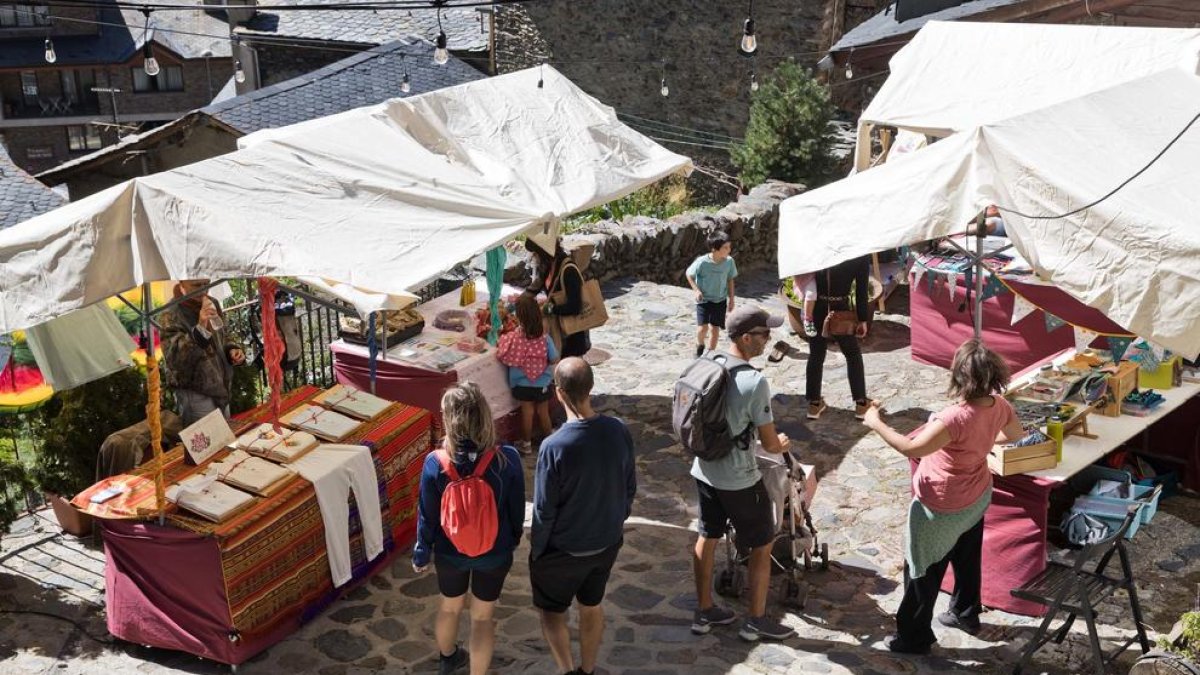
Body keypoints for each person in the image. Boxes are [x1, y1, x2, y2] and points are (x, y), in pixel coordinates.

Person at [861, 339, 1024, 654]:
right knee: (966, 558)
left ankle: (914, 637)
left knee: (922, 568)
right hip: (976, 495)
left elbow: (911, 448)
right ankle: (965, 613)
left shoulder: (953, 418)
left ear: (960, 376)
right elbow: (1014, 435)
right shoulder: (1000, 405)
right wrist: (979, 443)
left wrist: (875, 422)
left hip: (941, 505)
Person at [690, 306, 797, 643]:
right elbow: (769, 442)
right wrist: (780, 443)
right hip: (739, 478)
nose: (769, 339)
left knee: (707, 536)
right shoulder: (754, 382)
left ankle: (704, 612)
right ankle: (756, 621)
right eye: (765, 334)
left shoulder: (707, 361)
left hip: (704, 469)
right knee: (762, 544)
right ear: (747, 338)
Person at [530, 357, 635, 675]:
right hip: (605, 544)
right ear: (591, 387)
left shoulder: (554, 446)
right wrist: (615, 522)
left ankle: (567, 670)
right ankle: (587, 670)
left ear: (558, 392)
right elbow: (629, 486)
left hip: (563, 550)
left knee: (551, 612)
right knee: (592, 605)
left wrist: (538, 550)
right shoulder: (618, 431)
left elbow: (544, 509)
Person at [413, 382, 525, 675]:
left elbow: (427, 515)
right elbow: (516, 510)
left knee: (449, 607)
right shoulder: (507, 458)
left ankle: (448, 658)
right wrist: (512, 539)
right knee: (482, 618)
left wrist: (422, 552)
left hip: (450, 551)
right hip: (495, 551)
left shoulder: (435, 462)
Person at [161, 279, 245, 426]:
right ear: (182, 283)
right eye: (197, 285)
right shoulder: (170, 313)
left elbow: (223, 334)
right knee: (208, 438)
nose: (203, 289)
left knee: (225, 435)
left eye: (207, 284)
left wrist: (232, 349)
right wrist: (201, 327)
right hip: (195, 393)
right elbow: (175, 359)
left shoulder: (212, 302)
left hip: (221, 385)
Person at [805, 255, 874, 421]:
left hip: (817, 307)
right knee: (852, 354)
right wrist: (863, 319)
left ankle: (814, 404)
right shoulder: (859, 254)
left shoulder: (818, 248)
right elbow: (861, 290)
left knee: (816, 354)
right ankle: (861, 404)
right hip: (841, 310)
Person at [496, 293, 560, 456]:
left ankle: (526, 444)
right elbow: (554, 359)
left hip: (521, 384)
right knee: (543, 412)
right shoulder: (545, 339)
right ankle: (550, 441)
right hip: (542, 383)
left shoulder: (513, 338)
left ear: (519, 317)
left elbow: (502, 353)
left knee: (527, 413)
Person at [526, 238, 591, 359]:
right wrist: (521, 301)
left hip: (571, 335)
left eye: (535, 253)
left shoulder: (568, 270)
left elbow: (575, 306)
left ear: (544, 251)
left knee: (570, 369)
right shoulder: (548, 267)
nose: (534, 257)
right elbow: (535, 287)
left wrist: (550, 309)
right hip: (557, 333)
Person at [685, 230, 738, 357]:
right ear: (714, 249)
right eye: (725, 247)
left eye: (729, 247)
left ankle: (710, 353)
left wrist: (731, 299)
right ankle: (700, 345)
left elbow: (730, 279)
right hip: (704, 300)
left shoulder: (729, 262)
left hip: (720, 300)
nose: (729, 250)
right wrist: (696, 290)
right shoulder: (702, 262)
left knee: (715, 329)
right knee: (702, 329)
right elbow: (689, 274)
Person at [791, 272, 818, 337]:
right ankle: (807, 320)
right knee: (810, 294)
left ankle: (805, 316)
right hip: (804, 275)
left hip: (816, 274)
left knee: (808, 296)